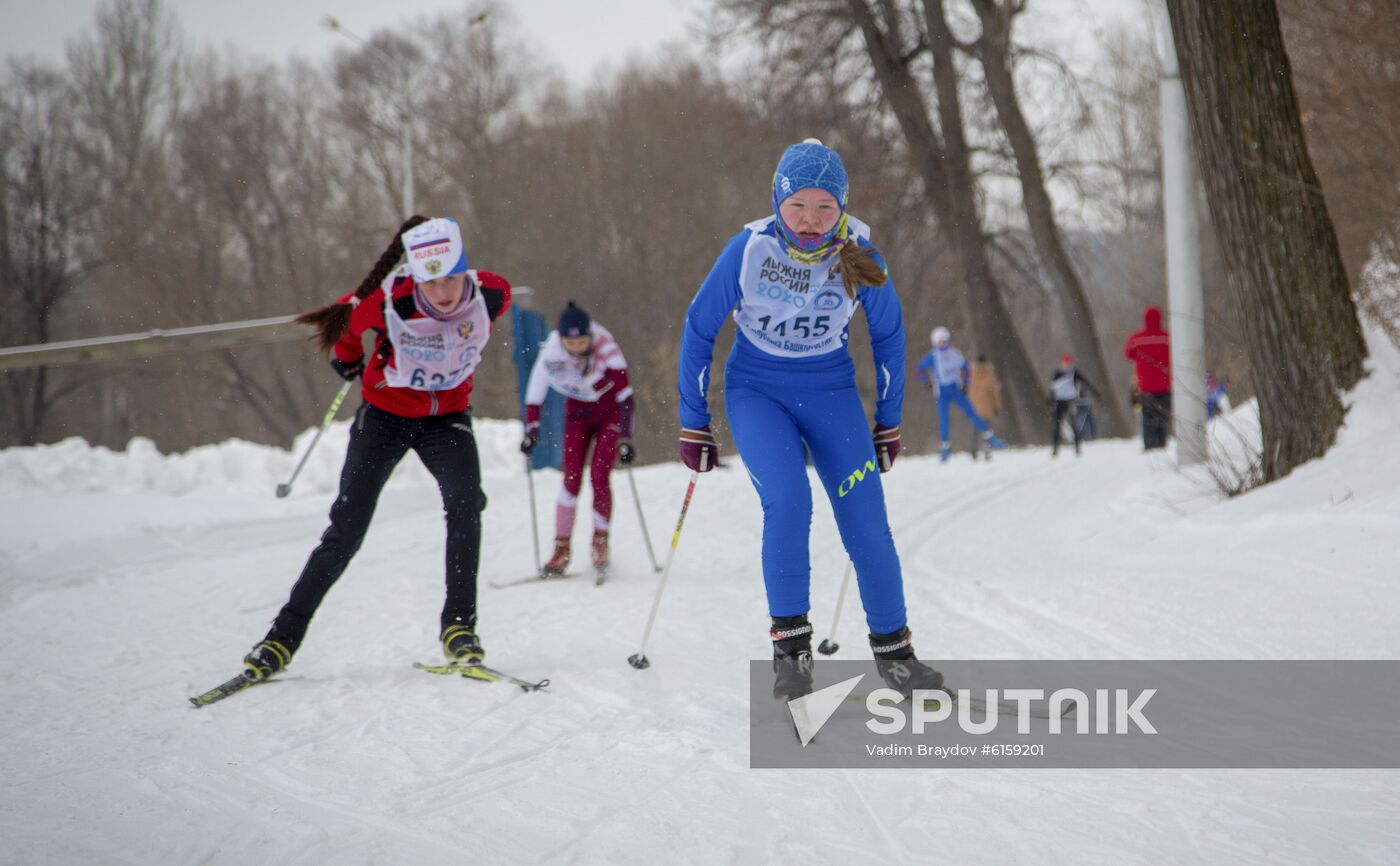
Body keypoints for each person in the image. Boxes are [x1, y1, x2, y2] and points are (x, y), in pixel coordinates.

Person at [676, 138, 946, 701]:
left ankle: (895, 654)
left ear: (842, 208)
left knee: (867, 520)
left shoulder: (860, 252)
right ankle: (792, 653)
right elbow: (700, 327)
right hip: (757, 393)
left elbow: (890, 335)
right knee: (789, 500)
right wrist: (692, 421)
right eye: (798, 205)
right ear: (778, 201)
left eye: (825, 207)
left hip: (830, 393)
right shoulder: (748, 249)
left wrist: (889, 420)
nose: (810, 220)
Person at [239, 216, 512, 681]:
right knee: (347, 528)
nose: (443, 293)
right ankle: (280, 639)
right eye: (431, 281)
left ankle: (459, 630)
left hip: (446, 419)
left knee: (466, 505)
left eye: (450, 279)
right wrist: (349, 362)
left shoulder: (491, 293)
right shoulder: (388, 302)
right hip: (385, 419)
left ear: (465, 272)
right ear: (415, 277)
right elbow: (345, 336)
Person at [520, 301, 636, 576]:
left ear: (591, 337)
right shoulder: (551, 351)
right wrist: (531, 431)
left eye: (582, 341)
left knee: (599, 475)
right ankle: (561, 548)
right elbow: (536, 391)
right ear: (561, 339)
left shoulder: (606, 346)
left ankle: (600, 540)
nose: (576, 347)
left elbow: (626, 396)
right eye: (570, 342)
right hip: (578, 415)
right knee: (571, 478)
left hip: (609, 416)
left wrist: (627, 438)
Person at [916, 327, 1007, 461]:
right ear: (935, 342)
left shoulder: (954, 354)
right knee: (944, 420)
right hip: (942, 392)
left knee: (973, 413)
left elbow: (965, 369)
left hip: (955, 389)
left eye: (944, 341)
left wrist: (965, 383)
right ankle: (945, 449)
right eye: (939, 341)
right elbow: (920, 369)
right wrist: (926, 382)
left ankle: (990, 438)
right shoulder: (932, 356)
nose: (942, 344)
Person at [1124, 305, 1171, 450]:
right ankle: (1161, 441)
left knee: (1148, 416)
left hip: (1145, 387)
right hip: (1165, 386)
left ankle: (1150, 444)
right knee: (1163, 415)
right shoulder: (1167, 338)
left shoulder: (1137, 339)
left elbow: (1128, 354)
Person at [1049, 354, 1101, 457]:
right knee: (1057, 425)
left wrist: (1096, 393)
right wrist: (1050, 400)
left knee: (1074, 424)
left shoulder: (1074, 372)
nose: (1066, 365)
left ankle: (1077, 447)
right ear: (1061, 363)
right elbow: (1052, 388)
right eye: (1065, 362)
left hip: (1071, 400)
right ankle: (1055, 447)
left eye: (1068, 362)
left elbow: (1085, 382)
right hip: (1060, 401)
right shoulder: (1057, 373)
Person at [966, 354, 1001, 461]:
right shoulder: (989, 376)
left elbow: (966, 391)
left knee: (974, 430)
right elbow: (994, 393)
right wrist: (996, 407)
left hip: (973, 408)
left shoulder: (970, 375)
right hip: (986, 408)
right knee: (987, 430)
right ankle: (987, 449)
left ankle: (973, 449)